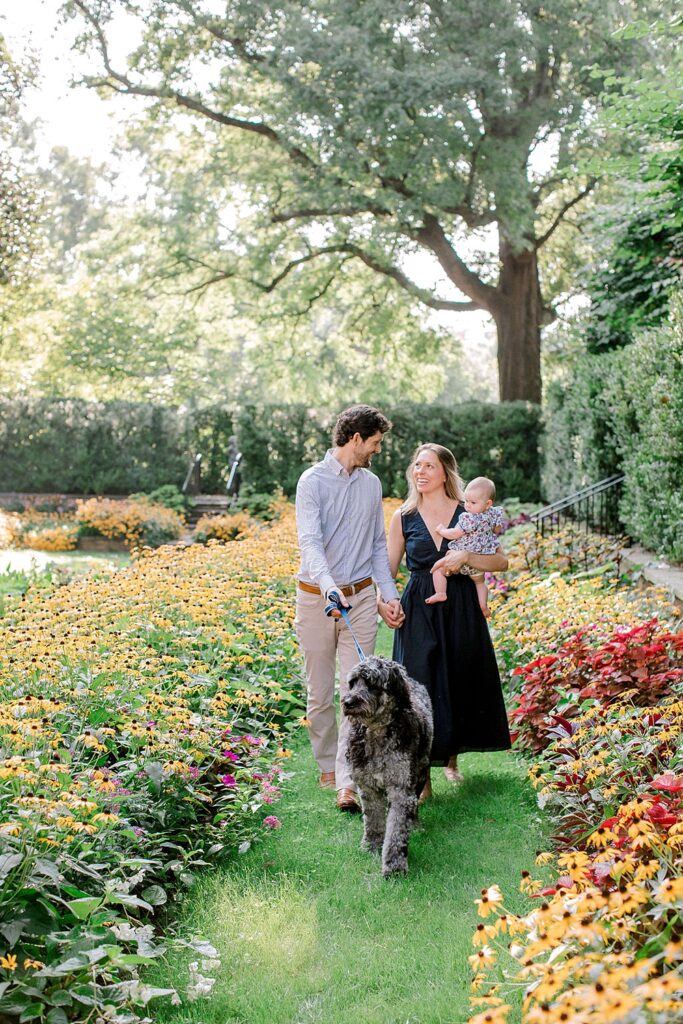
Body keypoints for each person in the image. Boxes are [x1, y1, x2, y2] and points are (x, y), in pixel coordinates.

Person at [377, 443, 511, 798]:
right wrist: (383, 601)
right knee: (416, 686)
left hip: (461, 605)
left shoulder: (468, 513)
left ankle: (450, 758)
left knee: (457, 679)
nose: (419, 472)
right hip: (419, 605)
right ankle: (423, 778)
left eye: (428, 466)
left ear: (445, 473)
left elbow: (501, 562)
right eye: (416, 466)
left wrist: (467, 555)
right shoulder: (403, 516)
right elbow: (387, 571)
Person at [295, 405, 404, 813]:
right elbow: (310, 543)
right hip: (315, 598)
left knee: (354, 690)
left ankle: (346, 781)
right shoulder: (312, 482)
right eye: (374, 443)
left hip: (359, 600)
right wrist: (328, 590)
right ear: (355, 438)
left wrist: (388, 594)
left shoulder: (371, 484)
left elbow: (378, 546)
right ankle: (326, 764)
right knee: (320, 694)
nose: (377, 450)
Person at [427, 476, 506, 619]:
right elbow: (497, 530)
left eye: (473, 502)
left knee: (438, 570)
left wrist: (442, 531)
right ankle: (483, 605)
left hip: (462, 560)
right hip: (481, 560)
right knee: (480, 582)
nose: (468, 505)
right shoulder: (493, 514)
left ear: (488, 503)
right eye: (467, 501)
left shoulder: (468, 518)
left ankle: (441, 593)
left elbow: (455, 534)